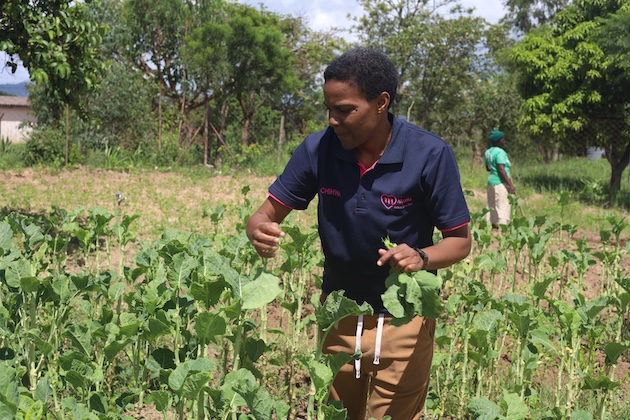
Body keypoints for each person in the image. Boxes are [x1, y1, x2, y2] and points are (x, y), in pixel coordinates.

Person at [246, 47, 471, 420]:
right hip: (340, 315)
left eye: (345, 110)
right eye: (328, 109)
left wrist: (422, 256)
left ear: (381, 102)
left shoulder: (429, 154)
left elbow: (460, 241)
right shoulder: (318, 150)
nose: (333, 120)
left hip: (405, 320)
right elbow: (264, 214)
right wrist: (258, 229)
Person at [484, 130, 516, 229]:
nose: (504, 141)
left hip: (491, 182)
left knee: (492, 204)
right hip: (500, 182)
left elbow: (488, 168)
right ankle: (502, 229)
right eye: (503, 139)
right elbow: (501, 169)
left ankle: (494, 227)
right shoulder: (500, 152)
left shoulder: (488, 152)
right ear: (498, 141)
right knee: (503, 205)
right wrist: (510, 185)